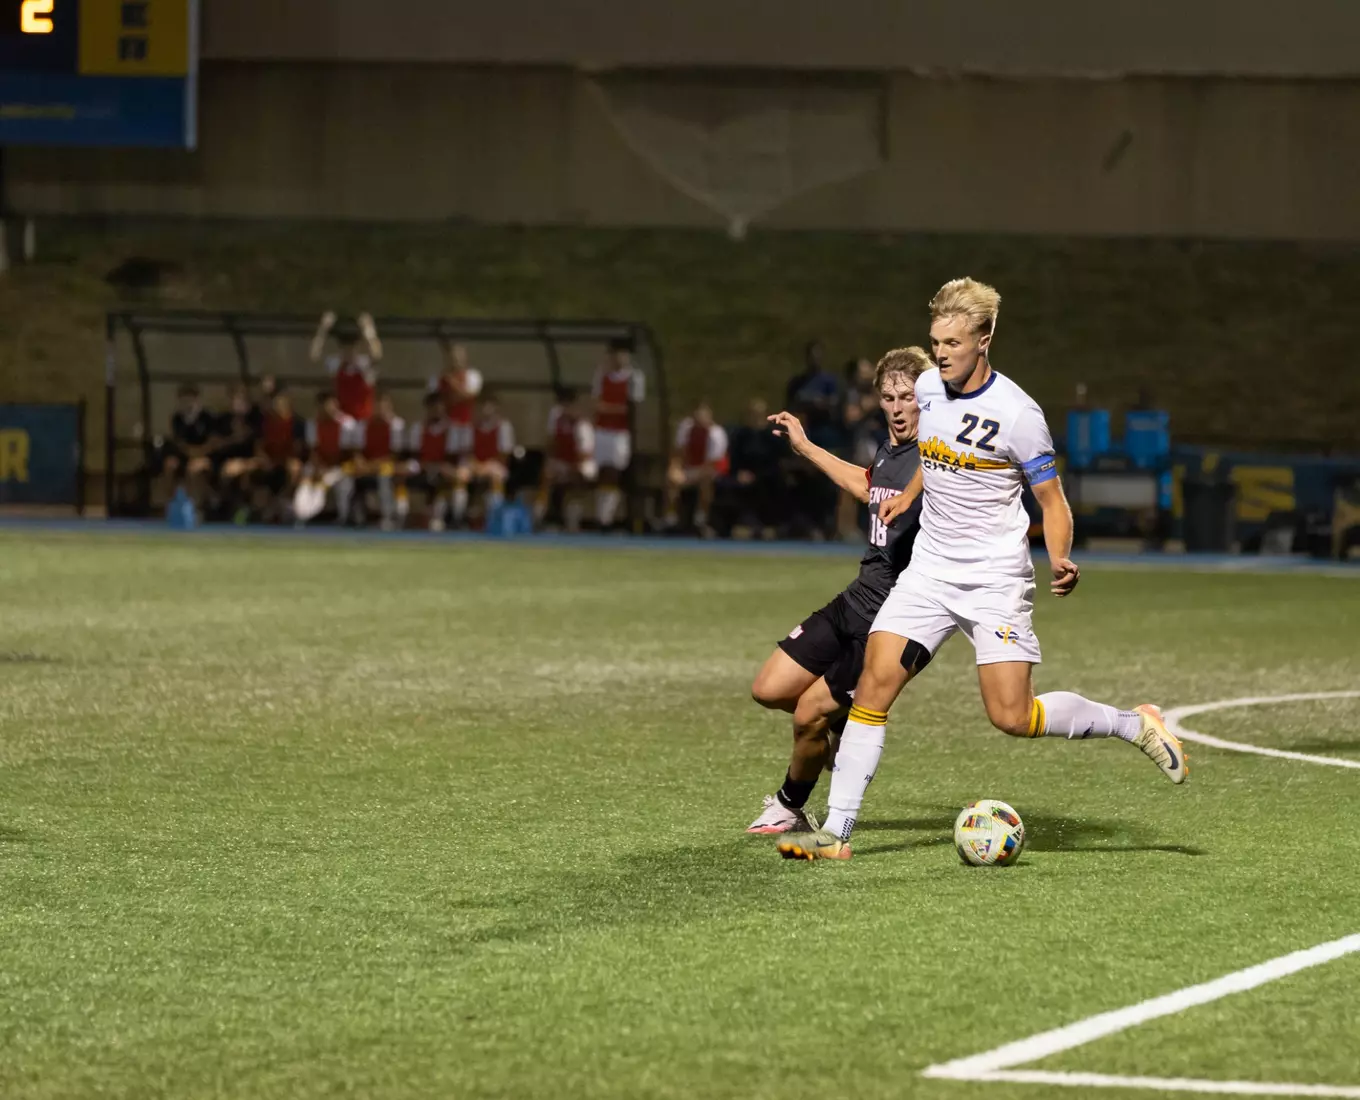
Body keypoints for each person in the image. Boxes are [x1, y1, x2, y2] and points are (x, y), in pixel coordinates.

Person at [777, 279, 1186, 862]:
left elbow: (1051, 500)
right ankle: (837, 833)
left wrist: (1061, 555)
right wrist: (909, 492)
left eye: (952, 341)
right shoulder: (926, 388)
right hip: (928, 572)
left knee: (1012, 717)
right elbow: (933, 452)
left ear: (985, 338)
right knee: (873, 687)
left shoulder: (1018, 415)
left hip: (994, 577)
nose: (940, 353)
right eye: (935, 340)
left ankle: (1131, 723)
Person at [746, 347, 932, 835]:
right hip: (854, 600)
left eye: (907, 397)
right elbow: (867, 484)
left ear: (926, 400)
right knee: (769, 689)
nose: (895, 407)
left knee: (807, 712)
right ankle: (844, 724)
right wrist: (806, 448)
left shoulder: (938, 456)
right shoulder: (890, 448)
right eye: (888, 396)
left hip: (890, 620)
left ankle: (792, 804)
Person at [591, 336, 645, 530]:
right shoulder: (601, 375)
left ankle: (608, 518)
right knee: (600, 471)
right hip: (601, 431)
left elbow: (631, 409)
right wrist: (612, 408)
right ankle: (599, 516)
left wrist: (610, 408)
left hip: (620, 433)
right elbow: (596, 404)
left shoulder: (634, 377)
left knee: (614, 472)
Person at [720, 398, 784, 538]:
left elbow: (777, 462)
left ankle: (768, 525)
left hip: (767, 476)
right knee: (726, 485)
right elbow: (734, 457)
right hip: (743, 474)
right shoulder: (740, 435)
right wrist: (739, 473)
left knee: (774, 485)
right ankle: (738, 523)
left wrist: (758, 475)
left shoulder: (773, 436)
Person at [536, 388, 596, 532]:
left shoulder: (583, 426)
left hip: (580, 463)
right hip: (562, 461)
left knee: (579, 477)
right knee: (547, 475)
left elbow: (584, 455)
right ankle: (540, 516)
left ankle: (573, 521)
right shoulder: (556, 420)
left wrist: (569, 471)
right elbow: (551, 444)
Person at [663, 401, 728, 534]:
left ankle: (700, 521)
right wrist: (674, 469)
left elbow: (713, 464)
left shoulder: (717, 434)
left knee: (706, 483)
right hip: (688, 470)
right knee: (671, 480)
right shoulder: (685, 428)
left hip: (708, 471)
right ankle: (670, 520)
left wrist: (690, 479)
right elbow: (678, 453)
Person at [295, 391, 356, 526]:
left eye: (331, 404)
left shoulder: (347, 424)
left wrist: (327, 469)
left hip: (341, 466)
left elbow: (346, 454)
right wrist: (318, 467)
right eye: (325, 405)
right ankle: (301, 514)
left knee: (327, 482)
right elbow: (313, 451)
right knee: (306, 476)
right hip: (320, 464)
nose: (329, 408)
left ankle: (343, 517)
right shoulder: (313, 424)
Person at [352, 392, 408, 531]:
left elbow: (395, 455)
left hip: (388, 466)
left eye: (384, 406)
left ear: (389, 407)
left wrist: (371, 466)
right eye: (377, 406)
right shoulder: (363, 425)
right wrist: (359, 462)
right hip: (367, 465)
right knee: (345, 473)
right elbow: (357, 450)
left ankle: (387, 516)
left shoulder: (397, 425)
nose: (380, 409)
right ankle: (349, 516)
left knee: (384, 475)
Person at [311, 311, 382, 422]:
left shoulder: (364, 364)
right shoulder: (335, 364)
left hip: (363, 421)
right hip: (342, 421)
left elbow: (376, 355)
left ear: (357, 347)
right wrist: (323, 329)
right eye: (345, 348)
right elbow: (315, 356)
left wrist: (368, 330)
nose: (348, 351)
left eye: (351, 347)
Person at [209, 384, 264, 522]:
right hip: (225, 463)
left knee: (243, 477)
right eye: (235, 400)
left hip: (252, 464)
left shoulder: (256, 421)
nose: (238, 404)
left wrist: (243, 464)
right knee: (222, 471)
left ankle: (246, 511)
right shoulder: (223, 420)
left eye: (242, 401)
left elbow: (260, 455)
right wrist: (232, 439)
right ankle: (220, 509)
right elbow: (215, 444)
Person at [407, 391, 460, 531]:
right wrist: (427, 466)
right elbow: (415, 455)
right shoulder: (418, 428)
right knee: (402, 474)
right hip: (422, 467)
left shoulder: (452, 429)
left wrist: (439, 467)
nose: (436, 411)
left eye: (439, 407)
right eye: (433, 407)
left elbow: (452, 457)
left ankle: (447, 517)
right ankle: (402, 516)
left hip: (444, 468)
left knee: (449, 476)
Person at [253, 388, 304, 522]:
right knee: (247, 469)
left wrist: (281, 461)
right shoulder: (266, 423)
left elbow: (297, 450)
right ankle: (256, 508)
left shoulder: (296, 423)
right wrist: (265, 459)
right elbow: (259, 446)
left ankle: (284, 502)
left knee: (294, 467)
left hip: (286, 461)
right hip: (270, 461)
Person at [461, 395, 516, 521]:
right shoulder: (469, 427)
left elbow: (504, 455)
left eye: (488, 406)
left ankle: (495, 515)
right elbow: (467, 452)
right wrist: (477, 466)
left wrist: (486, 466)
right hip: (475, 464)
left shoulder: (504, 426)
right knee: (460, 475)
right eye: (482, 406)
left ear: (495, 408)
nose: (485, 409)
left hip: (494, 465)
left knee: (495, 475)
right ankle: (459, 516)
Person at [163, 384, 217, 508]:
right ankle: (171, 505)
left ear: (197, 399)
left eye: (190, 399)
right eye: (183, 399)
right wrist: (189, 453)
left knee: (193, 469)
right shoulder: (177, 419)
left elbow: (212, 443)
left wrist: (199, 453)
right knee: (169, 465)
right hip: (185, 455)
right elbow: (180, 443)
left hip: (205, 456)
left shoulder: (208, 417)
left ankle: (194, 507)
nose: (187, 403)